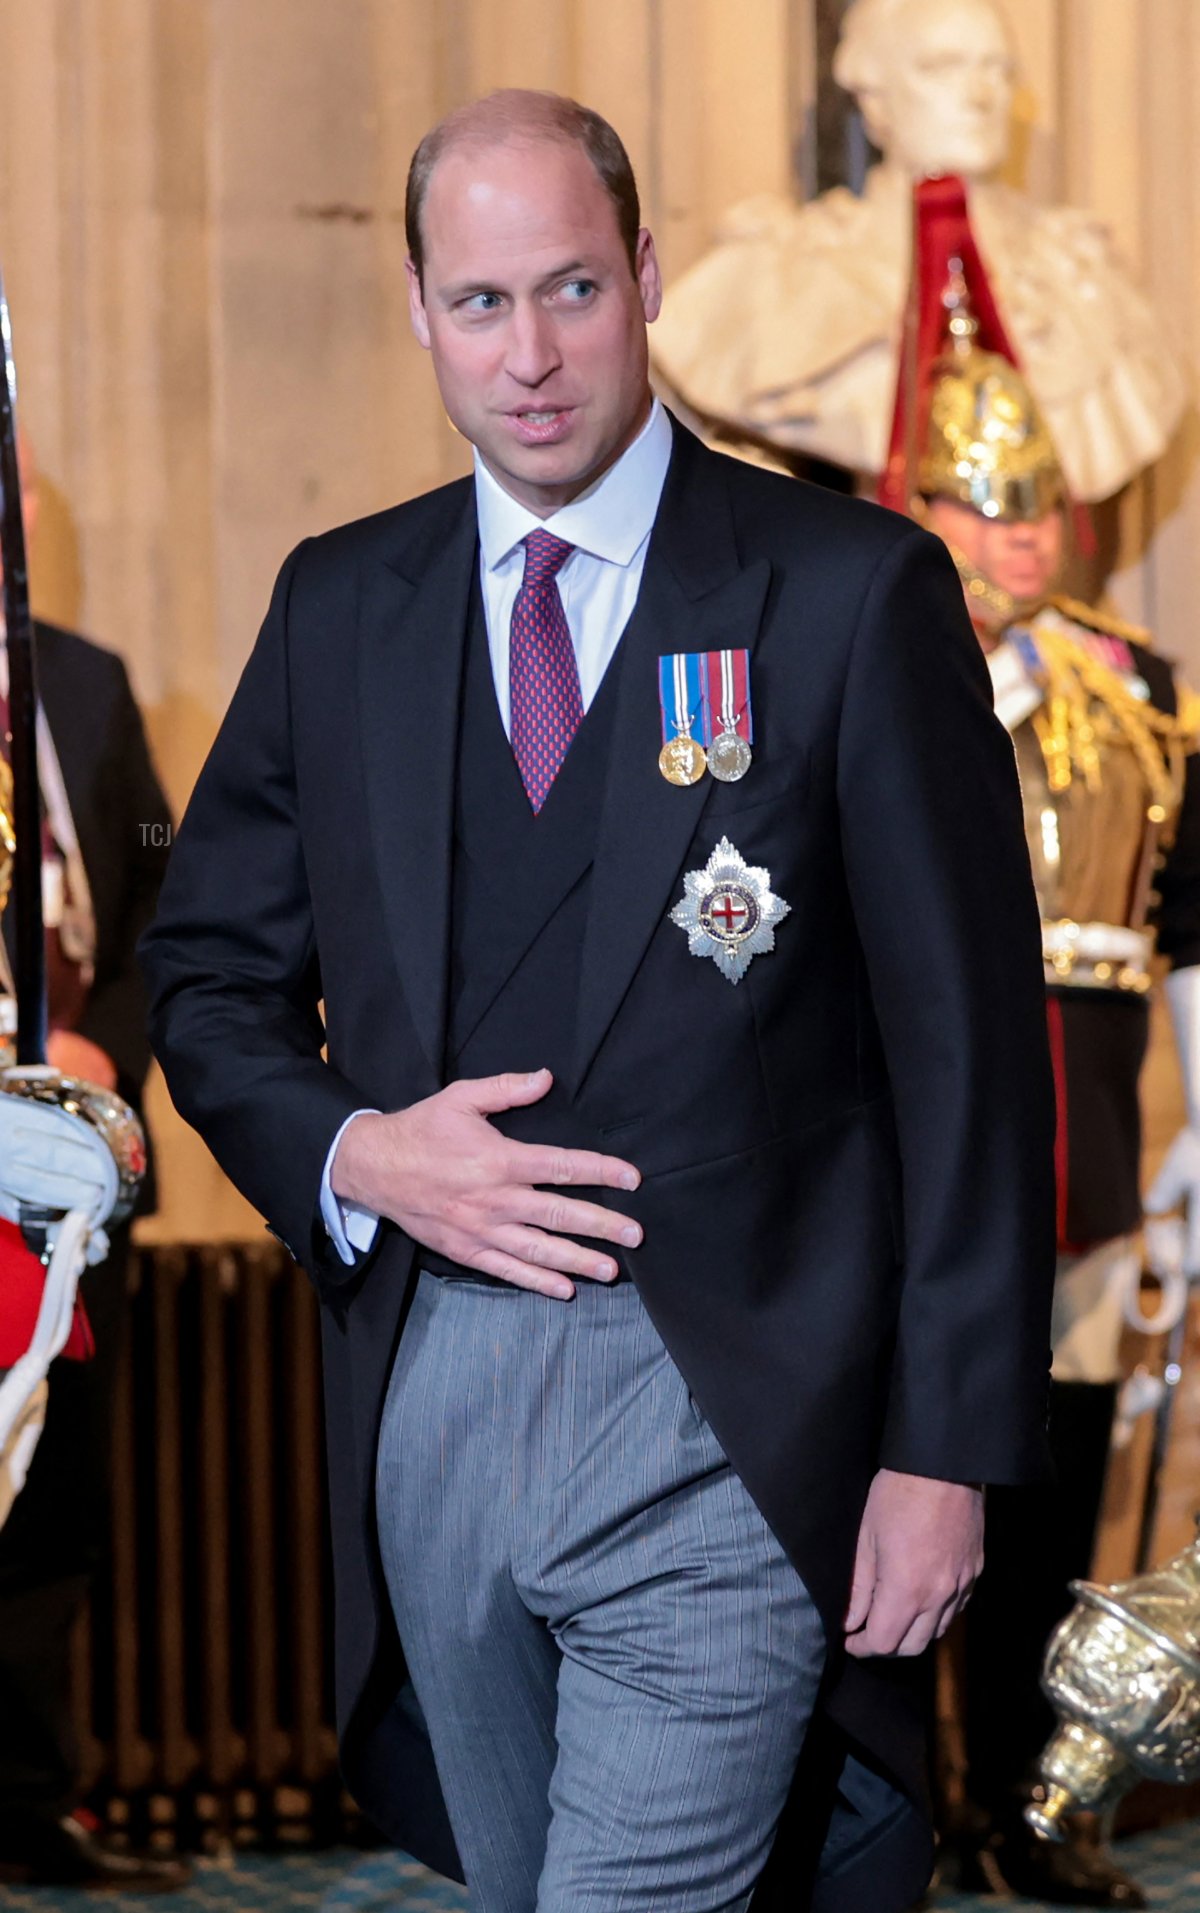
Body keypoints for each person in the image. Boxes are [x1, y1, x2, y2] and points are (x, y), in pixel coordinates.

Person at [141, 90, 1055, 1913]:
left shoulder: (848, 595)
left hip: (737, 1406)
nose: (532, 356)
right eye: (480, 304)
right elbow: (207, 975)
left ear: (644, 276)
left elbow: (971, 1065)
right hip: (431, 1402)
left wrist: (946, 1449)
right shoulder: (343, 604)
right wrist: (359, 1153)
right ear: (417, 311)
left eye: (571, 288)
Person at [916, 303, 1200, 1908]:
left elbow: (1195, 930)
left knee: (1052, 1479)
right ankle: (904, 1793)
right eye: (983, 505)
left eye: (1036, 507)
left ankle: (1038, 1797)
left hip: (1085, 1151)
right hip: (912, 1158)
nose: (1017, 538)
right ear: (925, 509)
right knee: (905, 1468)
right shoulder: (870, 654)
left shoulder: (1143, 694)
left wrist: (1195, 1137)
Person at [650, 0, 1183, 505]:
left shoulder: (1083, 271)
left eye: (997, 69)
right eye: (943, 67)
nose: (980, 96)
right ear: (873, 97)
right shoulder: (776, 272)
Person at [0, 436, 180, 1889]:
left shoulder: (91, 679)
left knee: (55, 1495)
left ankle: (30, 1792)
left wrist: (109, 1051)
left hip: (73, 1164)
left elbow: (164, 915)